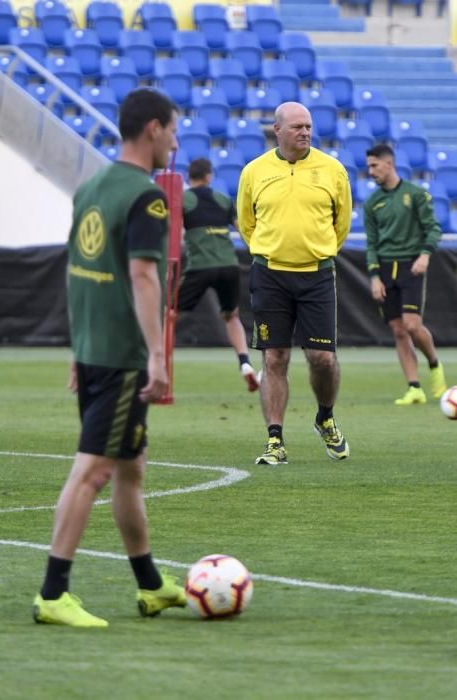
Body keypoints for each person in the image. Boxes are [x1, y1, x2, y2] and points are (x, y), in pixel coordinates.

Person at [33, 88, 187, 628]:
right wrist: (156, 357)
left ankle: (150, 585)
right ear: (151, 129)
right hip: (122, 356)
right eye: (171, 129)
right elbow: (145, 275)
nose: (174, 140)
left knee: (130, 468)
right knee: (94, 471)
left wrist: (79, 349)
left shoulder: (92, 185)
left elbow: (77, 269)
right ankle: (54, 593)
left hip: (94, 350)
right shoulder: (147, 197)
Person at [237, 101, 352, 465]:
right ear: (278, 130)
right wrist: (268, 249)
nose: (305, 132)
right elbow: (246, 221)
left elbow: (342, 222)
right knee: (275, 357)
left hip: (316, 273)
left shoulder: (332, 170)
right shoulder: (254, 172)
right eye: (298, 126)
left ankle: (325, 416)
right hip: (270, 273)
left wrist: (320, 250)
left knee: (321, 358)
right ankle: (275, 440)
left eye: (308, 126)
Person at [364, 143, 447, 405]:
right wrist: (375, 276)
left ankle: (434, 364)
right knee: (398, 330)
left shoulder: (416, 194)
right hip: (386, 269)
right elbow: (371, 243)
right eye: (368, 166)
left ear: (389, 164)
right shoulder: (372, 203)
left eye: (374, 166)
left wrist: (424, 255)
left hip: (411, 264)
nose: (371, 171)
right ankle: (414, 388)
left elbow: (434, 229)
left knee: (412, 325)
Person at [177, 157, 259, 391]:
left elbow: (172, 233)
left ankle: (153, 360)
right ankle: (245, 364)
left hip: (201, 266)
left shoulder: (184, 199)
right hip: (229, 265)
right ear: (209, 176)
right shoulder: (223, 199)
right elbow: (244, 231)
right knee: (231, 315)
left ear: (189, 177)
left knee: (170, 315)